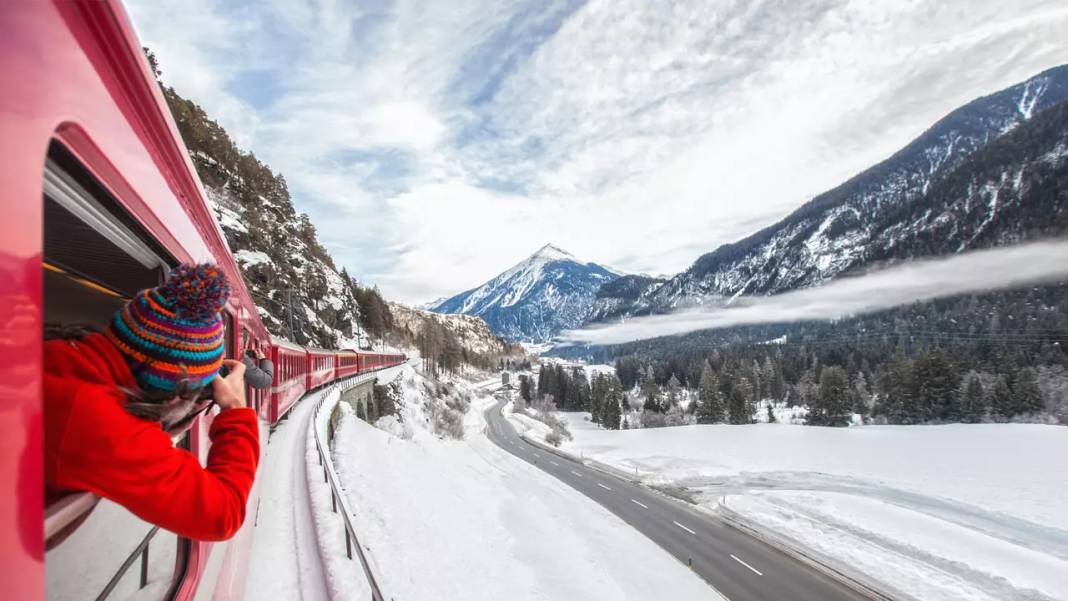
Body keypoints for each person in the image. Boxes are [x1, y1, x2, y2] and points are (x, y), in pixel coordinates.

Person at [44, 264, 259, 542]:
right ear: (173, 393)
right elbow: (223, 515)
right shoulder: (104, 424)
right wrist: (235, 411)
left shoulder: (57, 356)